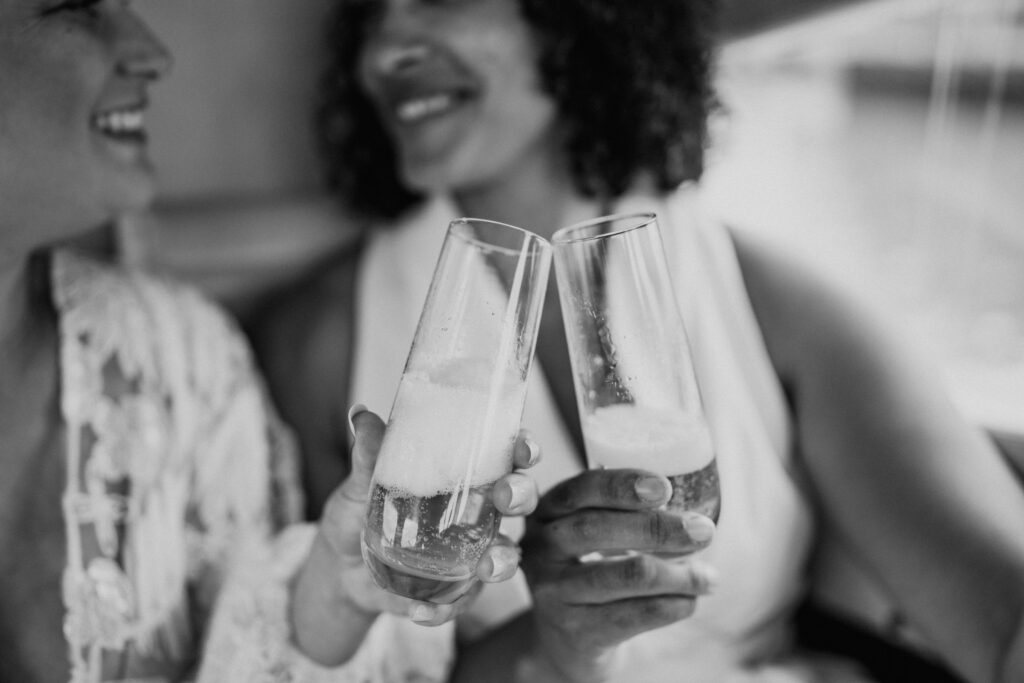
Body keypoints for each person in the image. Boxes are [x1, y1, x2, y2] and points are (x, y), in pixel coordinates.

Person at [240, 0, 1024, 682]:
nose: (385, 51)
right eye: (371, 15)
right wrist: (552, 652)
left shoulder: (770, 300)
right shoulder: (323, 340)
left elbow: (1002, 619)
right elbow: (342, 657)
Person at [0, 2, 537, 681]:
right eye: (75, 5)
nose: (152, 51)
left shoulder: (187, 364)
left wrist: (331, 605)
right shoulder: (321, 332)